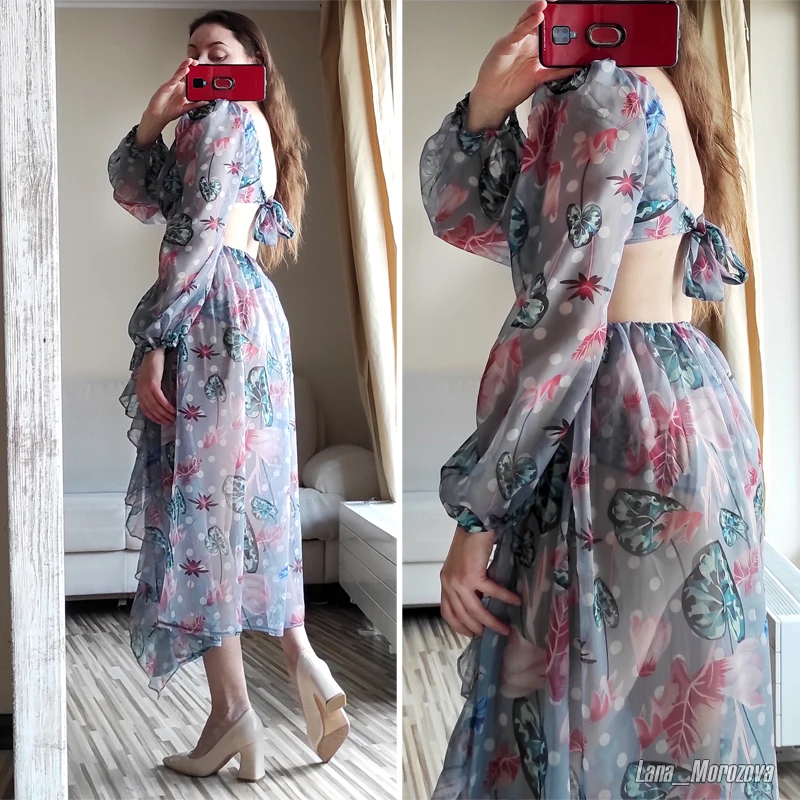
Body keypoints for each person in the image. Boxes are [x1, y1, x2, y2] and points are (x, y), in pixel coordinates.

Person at [420, 1, 778, 798]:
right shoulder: (662, 88)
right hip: (692, 411)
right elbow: (481, 224)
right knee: (660, 729)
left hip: (617, 424)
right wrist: (490, 104)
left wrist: (477, 518)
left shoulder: (602, 93)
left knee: (566, 718)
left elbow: (562, 318)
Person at [107, 10, 349, 780]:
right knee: (244, 505)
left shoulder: (221, 122)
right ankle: (305, 662)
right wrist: (154, 121)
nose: (200, 62)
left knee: (204, 514)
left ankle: (233, 712)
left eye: (218, 51)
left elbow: (192, 237)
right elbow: (144, 197)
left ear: (252, 62)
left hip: (210, 314)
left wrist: (154, 339)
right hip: (250, 314)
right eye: (192, 53)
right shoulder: (244, 125)